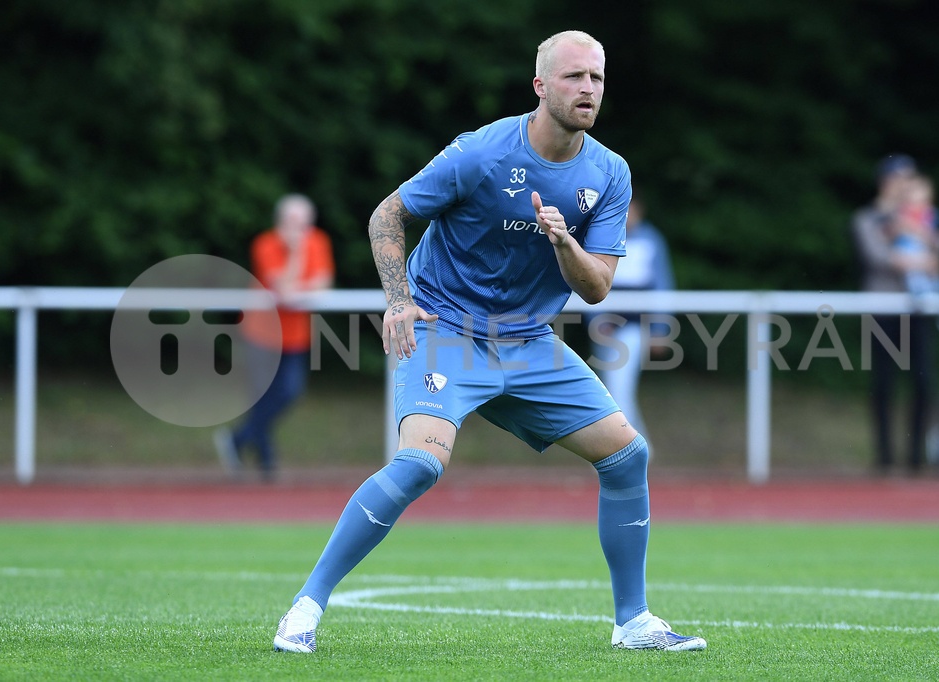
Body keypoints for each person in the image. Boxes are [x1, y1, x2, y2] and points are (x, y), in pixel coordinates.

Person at [272, 30, 707, 654]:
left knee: (627, 456)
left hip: (529, 341)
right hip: (446, 329)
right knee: (421, 462)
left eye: (598, 79)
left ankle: (633, 622)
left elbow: (598, 288)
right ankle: (305, 607)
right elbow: (386, 215)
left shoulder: (609, 173)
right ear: (540, 86)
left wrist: (565, 244)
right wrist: (399, 299)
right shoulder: (480, 152)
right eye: (573, 77)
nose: (588, 89)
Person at [214, 194, 335, 481]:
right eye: (294, 222)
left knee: (289, 392)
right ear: (280, 222)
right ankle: (267, 465)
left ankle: (237, 440)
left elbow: (322, 282)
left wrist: (300, 284)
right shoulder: (266, 243)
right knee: (262, 395)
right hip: (261, 332)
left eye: (305, 223)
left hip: (295, 335)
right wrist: (296, 254)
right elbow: (284, 290)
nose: (301, 230)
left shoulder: (318, 241)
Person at [851, 155, 939, 474]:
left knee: (923, 381)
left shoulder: (921, 216)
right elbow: (879, 257)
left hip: (918, 307)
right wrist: (922, 257)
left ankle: (915, 457)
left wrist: (914, 229)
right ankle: (884, 457)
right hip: (882, 307)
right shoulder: (868, 218)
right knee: (883, 382)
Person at [588, 189, 675, 447]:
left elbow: (662, 286)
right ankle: (633, 445)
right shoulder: (604, 238)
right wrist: (596, 323)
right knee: (609, 390)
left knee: (619, 389)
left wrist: (660, 328)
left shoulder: (651, 241)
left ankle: (631, 447)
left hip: (635, 327)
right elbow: (590, 282)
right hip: (605, 329)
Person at [888, 174, 939, 296]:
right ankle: (919, 292)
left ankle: (937, 295)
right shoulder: (899, 212)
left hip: (923, 251)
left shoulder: (931, 213)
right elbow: (893, 231)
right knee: (914, 276)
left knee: (934, 275)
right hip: (907, 250)